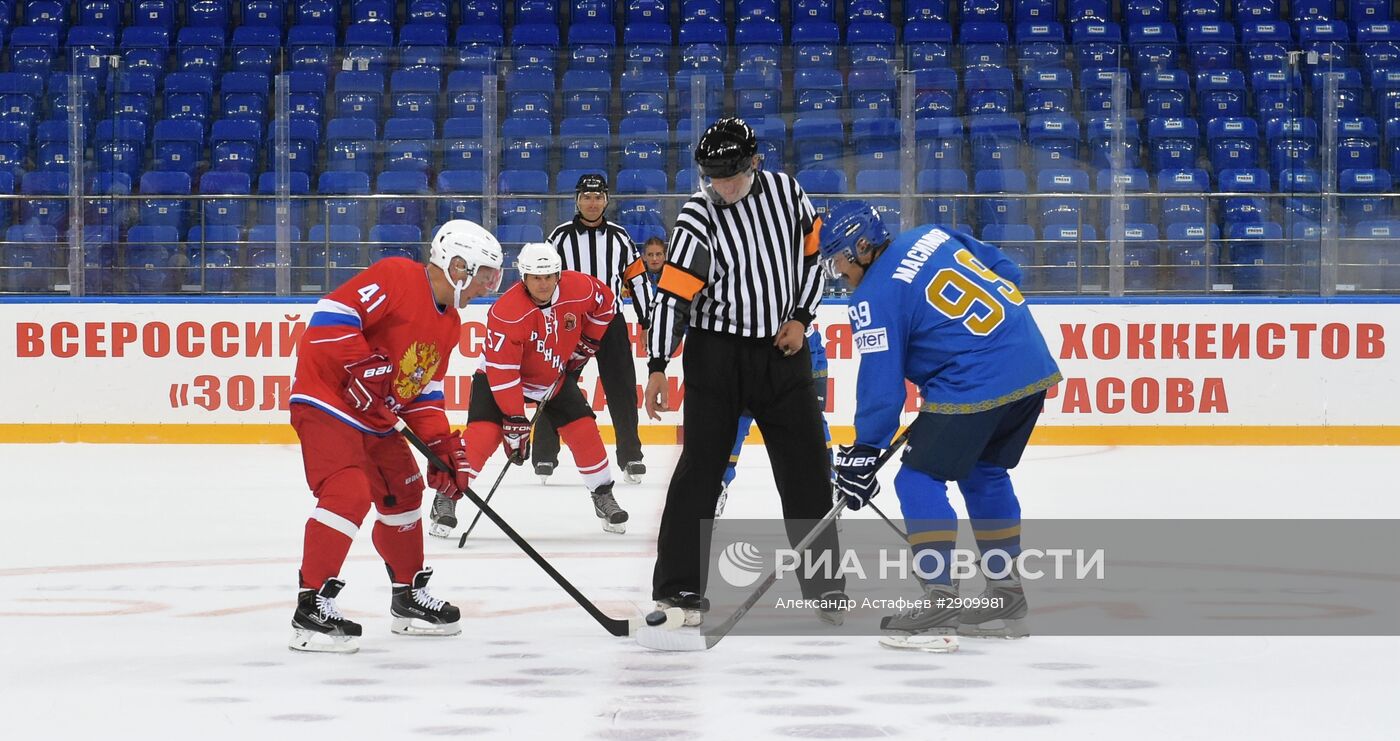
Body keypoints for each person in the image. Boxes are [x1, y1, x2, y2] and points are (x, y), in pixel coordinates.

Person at [818, 201, 1063, 654]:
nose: (836, 272)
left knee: (916, 479)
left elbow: (882, 387)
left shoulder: (872, 296)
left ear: (863, 247)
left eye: (837, 259)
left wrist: (865, 451)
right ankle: (1006, 598)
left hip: (975, 378)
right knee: (984, 472)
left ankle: (940, 599)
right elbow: (1008, 271)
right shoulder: (929, 234)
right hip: (1029, 359)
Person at [642, 117, 844, 626]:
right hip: (717, 354)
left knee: (807, 472)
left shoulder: (788, 194)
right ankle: (678, 589)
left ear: (755, 162)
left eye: (730, 175)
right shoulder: (698, 215)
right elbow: (674, 295)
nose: (721, 187)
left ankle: (826, 588)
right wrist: (660, 363)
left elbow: (812, 264)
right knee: (701, 471)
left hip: (781, 349)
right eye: (712, 176)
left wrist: (801, 317)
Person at [287, 219, 504, 654]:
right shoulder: (398, 276)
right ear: (457, 265)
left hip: (377, 418)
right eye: (483, 274)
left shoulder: (451, 324)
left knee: (403, 494)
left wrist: (442, 447)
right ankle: (311, 605)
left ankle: (406, 598)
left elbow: (421, 390)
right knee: (347, 493)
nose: (487, 285)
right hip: (327, 400)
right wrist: (361, 363)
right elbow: (330, 317)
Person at [428, 243, 629, 538]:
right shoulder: (507, 312)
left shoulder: (581, 288)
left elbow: (608, 304)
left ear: (559, 274)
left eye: (549, 276)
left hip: (550, 376)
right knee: (482, 437)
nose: (543, 283)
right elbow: (503, 371)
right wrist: (514, 418)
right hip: (500, 378)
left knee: (584, 429)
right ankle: (446, 497)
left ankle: (602, 495)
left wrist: (589, 340)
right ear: (523, 277)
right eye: (536, 277)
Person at [532, 174, 653, 485]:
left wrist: (648, 321)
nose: (592, 202)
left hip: (610, 323)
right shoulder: (558, 238)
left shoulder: (620, 237)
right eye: (586, 197)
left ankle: (631, 456)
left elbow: (637, 281)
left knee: (622, 390)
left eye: (598, 197)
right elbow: (541, 279)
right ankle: (545, 454)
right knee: (553, 385)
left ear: (606, 200)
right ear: (577, 200)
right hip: (569, 323)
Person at [716, 326, 831, 517]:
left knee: (813, 426)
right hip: (752, 358)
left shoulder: (802, 323)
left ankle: (827, 489)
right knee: (733, 428)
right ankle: (717, 487)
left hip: (799, 357)